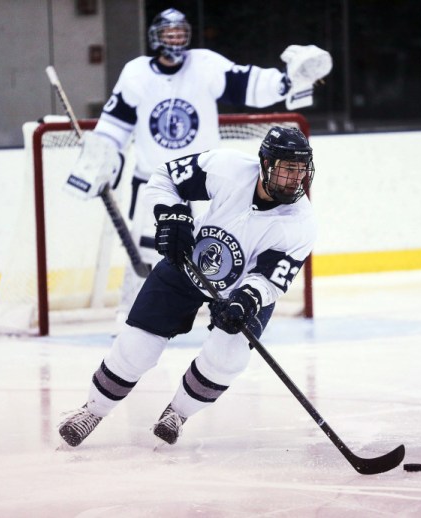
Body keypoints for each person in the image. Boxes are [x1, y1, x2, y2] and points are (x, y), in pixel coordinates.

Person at [63, 7, 331, 331]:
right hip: (156, 180)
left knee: (218, 248)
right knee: (147, 252)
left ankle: (224, 310)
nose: (175, 40)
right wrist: (101, 158)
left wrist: (285, 82)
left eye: (179, 33)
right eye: (168, 34)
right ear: (155, 37)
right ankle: (130, 315)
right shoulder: (136, 73)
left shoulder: (205, 65)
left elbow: (245, 82)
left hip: (205, 180)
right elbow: (115, 122)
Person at [58, 125, 316, 448]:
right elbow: (165, 176)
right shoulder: (229, 169)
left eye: (300, 171)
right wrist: (171, 215)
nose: (294, 180)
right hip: (189, 265)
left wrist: (245, 300)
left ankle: (178, 413)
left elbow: (269, 280)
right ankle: (93, 410)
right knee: (135, 348)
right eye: (286, 170)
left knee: (228, 358)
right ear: (265, 164)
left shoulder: (301, 222)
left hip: (241, 291)